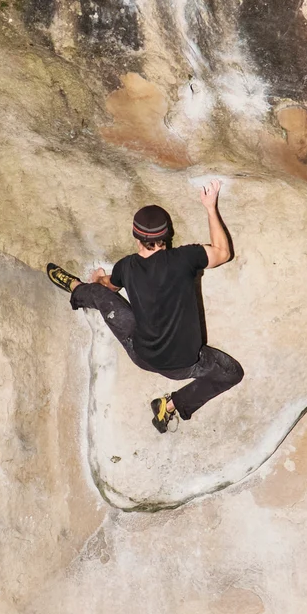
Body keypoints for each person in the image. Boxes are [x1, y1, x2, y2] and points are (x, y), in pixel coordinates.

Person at [45, 181, 243, 431]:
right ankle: (170, 405)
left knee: (102, 298)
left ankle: (75, 287)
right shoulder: (185, 258)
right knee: (231, 373)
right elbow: (222, 252)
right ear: (166, 235)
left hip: (141, 353)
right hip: (182, 366)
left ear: (135, 235)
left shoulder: (126, 267)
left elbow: (111, 287)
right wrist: (210, 207)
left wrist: (98, 280)